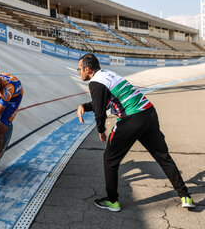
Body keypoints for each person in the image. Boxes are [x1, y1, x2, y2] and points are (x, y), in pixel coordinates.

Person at [76, 53, 195, 212]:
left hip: (131, 119)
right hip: (148, 112)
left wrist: (101, 130)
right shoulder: (107, 74)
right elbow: (106, 101)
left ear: (87, 69)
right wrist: (85, 105)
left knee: (109, 158)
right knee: (163, 157)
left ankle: (113, 201)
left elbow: (100, 111)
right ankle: (185, 196)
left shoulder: (95, 82)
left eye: (79, 70)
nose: (79, 73)